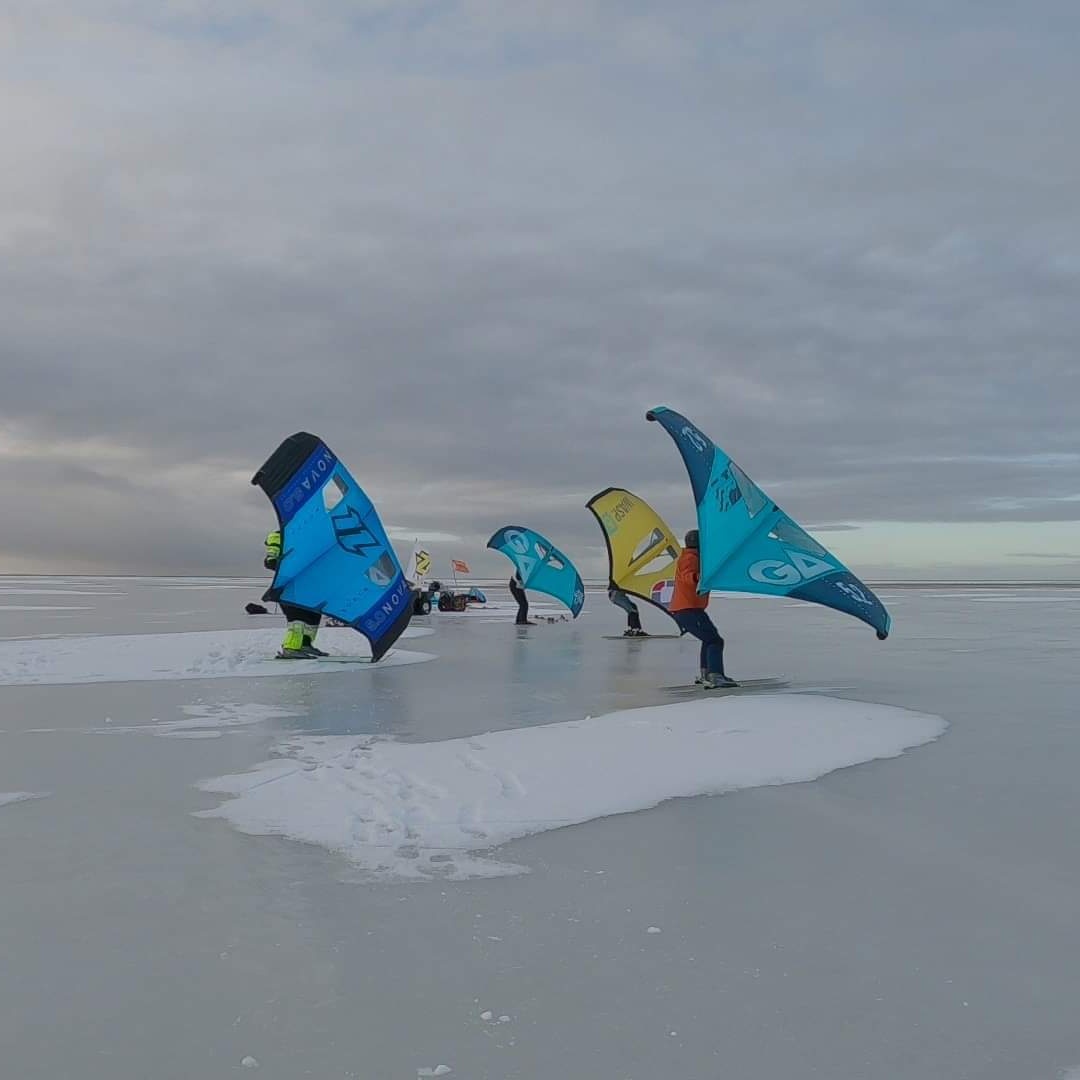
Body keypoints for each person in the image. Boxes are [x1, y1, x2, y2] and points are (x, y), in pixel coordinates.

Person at [669, 529, 737, 688]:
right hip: (687, 609)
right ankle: (715, 675)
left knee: (709, 639)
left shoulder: (694, 557)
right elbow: (687, 575)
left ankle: (706, 674)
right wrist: (697, 577)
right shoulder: (691, 558)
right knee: (714, 640)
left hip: (690, 609)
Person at [264, 529, 327, 658]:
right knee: (298, 618)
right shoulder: (280, 536)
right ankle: (290, 648)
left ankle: (305, 644)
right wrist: (283, 563)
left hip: (306, 586)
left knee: (313, 615)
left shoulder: (309, 538)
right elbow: (270, 562)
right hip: (289, 587)